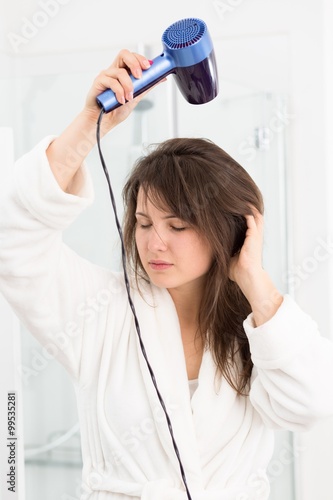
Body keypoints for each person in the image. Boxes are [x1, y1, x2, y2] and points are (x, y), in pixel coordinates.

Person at [1, 49, 333, 500]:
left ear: (227, 229)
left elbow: (310, 406)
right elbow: (14, 238)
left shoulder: (256, 331)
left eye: (177, 226)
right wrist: (88, 124)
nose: (154, 243)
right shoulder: (100, 313)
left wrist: (252, 275)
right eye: (143, 224)